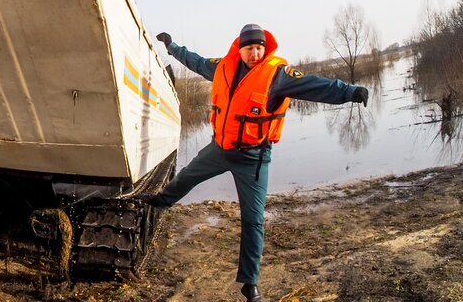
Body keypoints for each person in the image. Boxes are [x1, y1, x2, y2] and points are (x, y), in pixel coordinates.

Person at [142, 24, 369, 302]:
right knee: (187, 177)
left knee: (253, 220)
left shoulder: (277, 75)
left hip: (253, 158)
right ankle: (160, 202)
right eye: (250, 48)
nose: (255, 53)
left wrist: (349, 92)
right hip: (220, 149)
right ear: (241, 49)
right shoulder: (224, 67)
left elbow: (313, 85)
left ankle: (250, 284)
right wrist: (173, 47)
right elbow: (198, 62)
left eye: (259, 47)